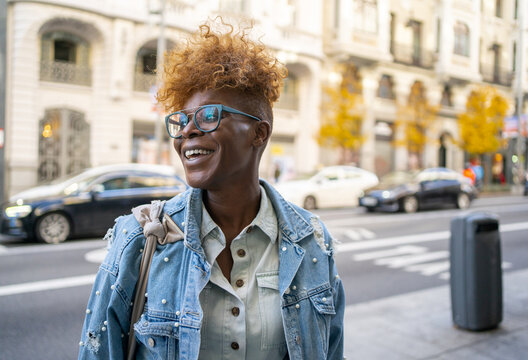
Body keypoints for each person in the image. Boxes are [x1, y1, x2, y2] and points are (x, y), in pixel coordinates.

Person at [79, 20, 345, 360]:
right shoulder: (138, 237)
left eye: (207, 116)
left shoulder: (312, 242)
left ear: (258, 134)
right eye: (182, 119)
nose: (187, 131)